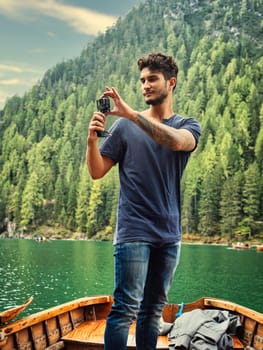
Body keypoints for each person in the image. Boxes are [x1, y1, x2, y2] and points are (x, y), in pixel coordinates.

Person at [86, 52, 201, 350]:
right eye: (142, 81)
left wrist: (131, 114)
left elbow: (176, 142)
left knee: (152, 312)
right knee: (124, 309)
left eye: (152, 79)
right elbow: (97, 171)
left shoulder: (188, 125)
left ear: (171, 83)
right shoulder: (123, 128)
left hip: (169, 234)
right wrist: (91, 141)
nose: (145, 86)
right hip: (133, 231)